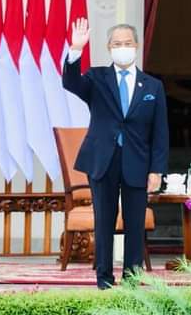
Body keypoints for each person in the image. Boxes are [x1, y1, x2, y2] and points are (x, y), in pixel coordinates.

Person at [63, 19, 169, 289]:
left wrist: (157, 170)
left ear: (136, 46)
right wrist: (75, 49)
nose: (123, 48)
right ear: (109, 48)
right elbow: (71, 82)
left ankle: (133, 280)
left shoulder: (153, 86)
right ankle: (104, 279)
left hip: (137, 162)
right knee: (104, 220)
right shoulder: (97, 78)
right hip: (102, 160)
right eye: (117, 44)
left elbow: (160, 132)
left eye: (127, 43)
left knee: (135, 223)